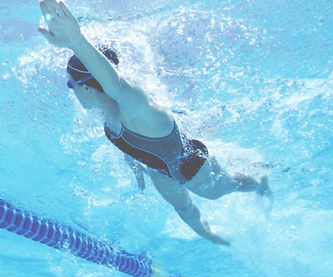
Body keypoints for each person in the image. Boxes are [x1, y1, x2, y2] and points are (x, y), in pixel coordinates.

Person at [37, 0, 269, 246]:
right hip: (158, 169)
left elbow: (115, 84)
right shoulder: (108, 117)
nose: (71, 91)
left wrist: (77, 42)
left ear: (85, 87)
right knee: (184, 209)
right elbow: (126, 146)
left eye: (69, 84)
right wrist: (136, 170)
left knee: (220, 190)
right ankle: (214, 236)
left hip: (190, 164)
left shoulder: (138, 108)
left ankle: (258, 182)